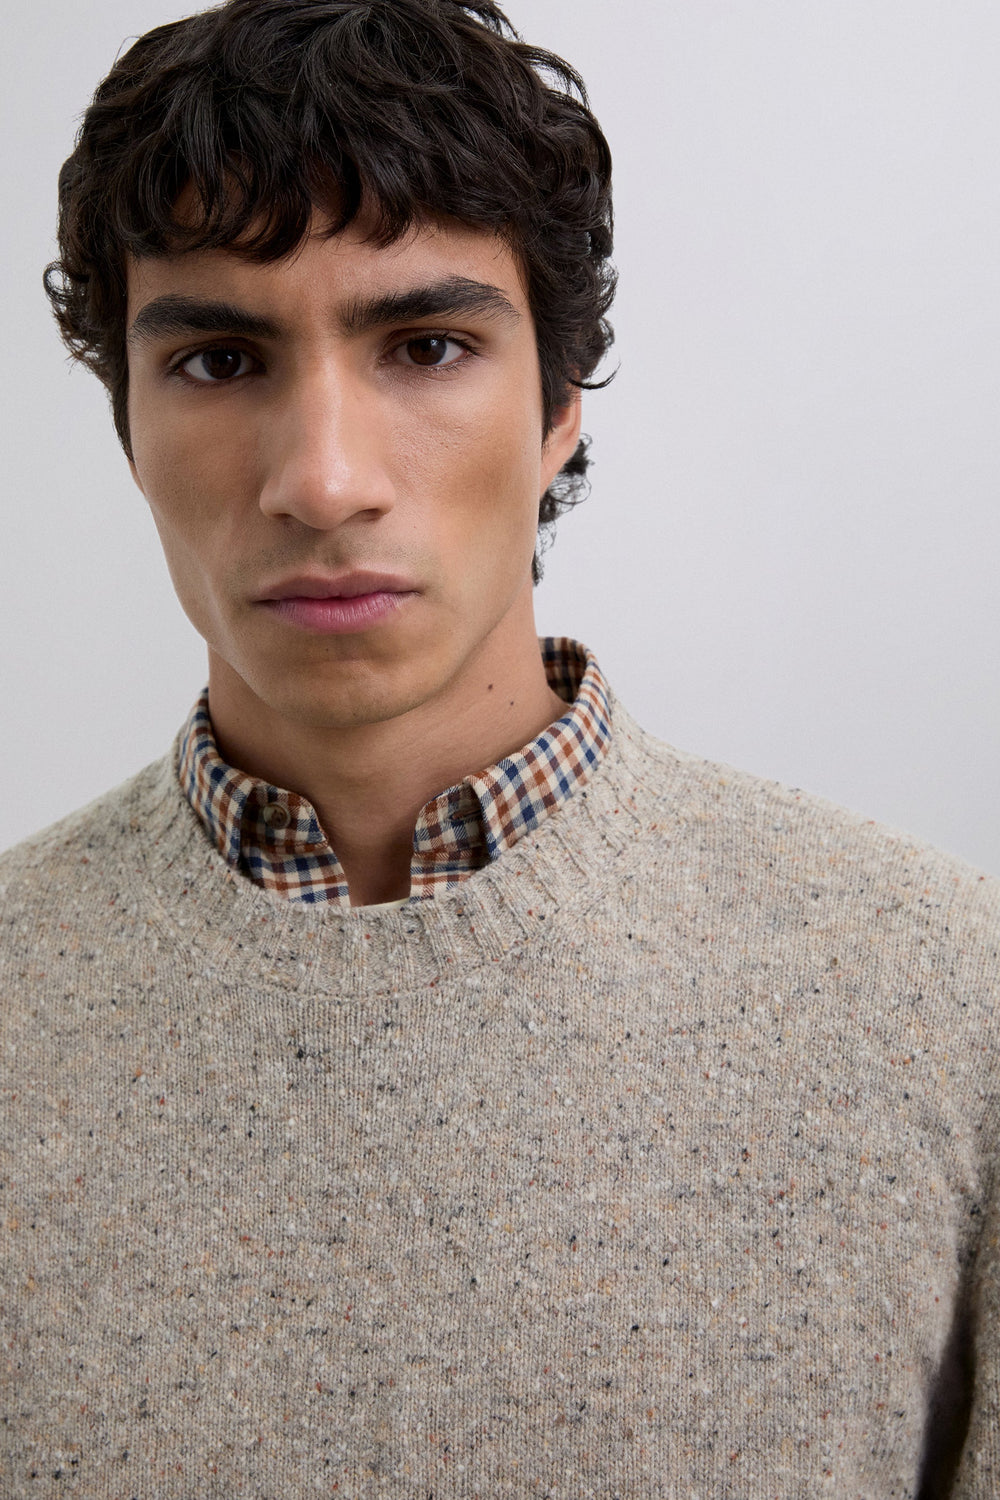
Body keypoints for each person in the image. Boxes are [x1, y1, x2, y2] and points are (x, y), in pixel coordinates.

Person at [2, 0, 998, 1493]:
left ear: (557, 408)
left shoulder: (950, 1004)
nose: (323, 479)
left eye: (426, 345)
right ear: (126, 425)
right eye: (216, 359)